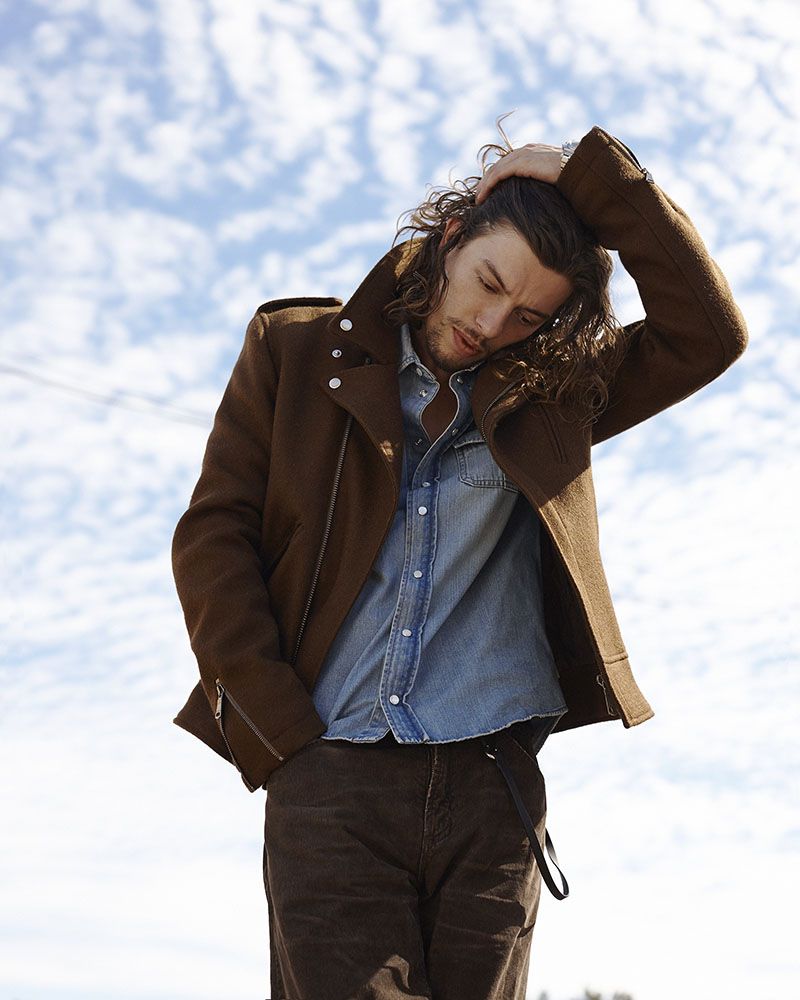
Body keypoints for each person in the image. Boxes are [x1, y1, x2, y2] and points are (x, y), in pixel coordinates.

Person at [170, 122, 748, 1000]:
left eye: (528, 316)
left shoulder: (557, 393)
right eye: (488, 283)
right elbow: (215, 537)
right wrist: (282, 736)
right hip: (331, 773)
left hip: (493, 793)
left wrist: (586, 176)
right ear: (450, 238)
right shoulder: (295, 348)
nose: (490, 326)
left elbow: (708, 332)